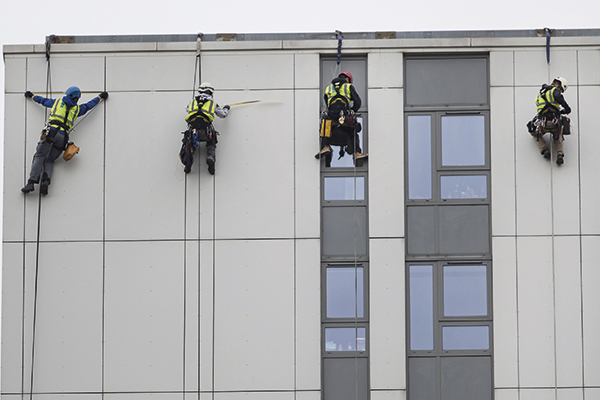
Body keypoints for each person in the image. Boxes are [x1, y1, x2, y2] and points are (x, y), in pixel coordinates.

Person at [21, 86, 108, 195]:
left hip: (51, 132)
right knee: (50, 159)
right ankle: (45, 184)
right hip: (63, 138)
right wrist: (99, 97)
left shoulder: (57, 102)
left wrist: (32, 96)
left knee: (39, 156)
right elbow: (88, 106)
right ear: (77, 98)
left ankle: (31, 183)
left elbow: (43, 101)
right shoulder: (77, 109)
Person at [315, 71, 367, 166]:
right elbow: (358, 102)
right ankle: (357, 153)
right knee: (352, 129)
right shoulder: (348, 86)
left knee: (326, 125)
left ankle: (325, 146)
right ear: (347, 79)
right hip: (343, 110)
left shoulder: (329, 87)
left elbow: (327, 101)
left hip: (332, 113)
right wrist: (352, 110)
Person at [180, 82, 229, 175]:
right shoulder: (212, 103)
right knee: (211, 141)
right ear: (210, 92)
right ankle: (210, 158)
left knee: (189, 143)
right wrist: (226, 108)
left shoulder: (192, 102)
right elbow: (223, 114)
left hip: (192, 130)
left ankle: (188, 162)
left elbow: (187, 109)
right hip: (206, 130)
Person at [527, 77, 571, 165]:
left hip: (542, 123)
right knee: (559, 133)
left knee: (533, 130)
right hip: (554, 123)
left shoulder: (540, 94)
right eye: (561, 89)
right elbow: (558, 97)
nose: (560, 91)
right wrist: (567, 108)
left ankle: (544, 149)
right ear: (559, 84)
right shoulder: (554, 90)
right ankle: (559, 153)